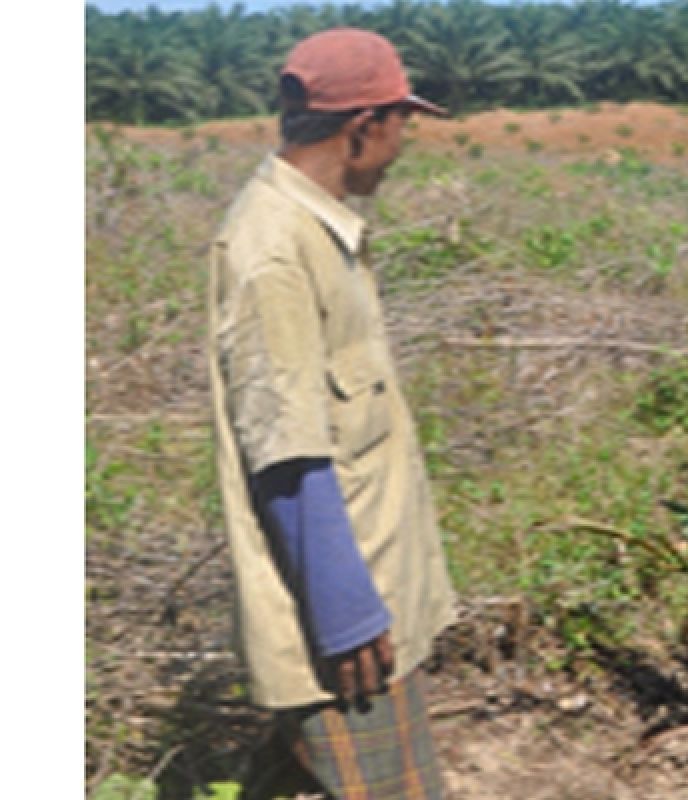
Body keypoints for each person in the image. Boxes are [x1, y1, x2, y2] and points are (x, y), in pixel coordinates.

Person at [206, 28, 457, 799]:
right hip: (348, 625)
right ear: (362, 128)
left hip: (363, 593)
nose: (403, 145)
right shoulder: (274, 253)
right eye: (401, 124)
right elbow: (289, 455)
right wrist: (347, 616)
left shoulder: (315, 229)